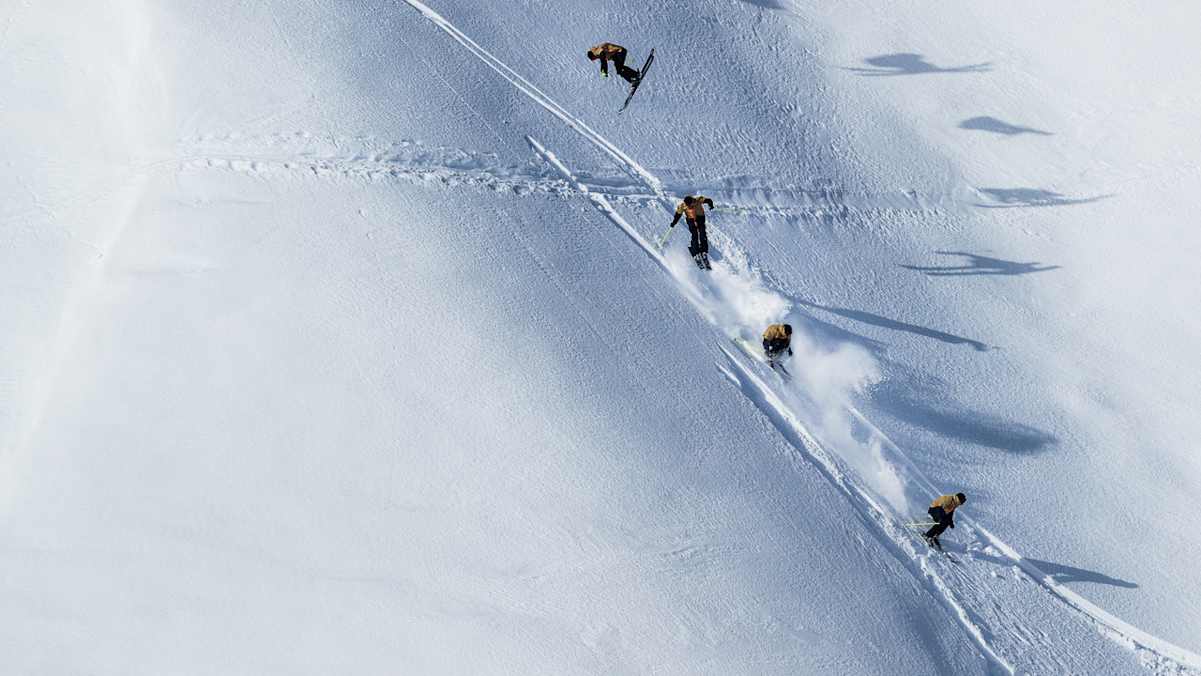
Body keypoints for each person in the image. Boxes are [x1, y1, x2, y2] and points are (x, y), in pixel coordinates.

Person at [670, 195, 715, 269]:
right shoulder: (683, 206)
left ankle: (703, 251)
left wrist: (711, 205)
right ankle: (695, 252)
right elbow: (678, 214)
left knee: (702, 234)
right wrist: (674, 222)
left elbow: (709, 200)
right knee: (695, 235)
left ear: (692, 202)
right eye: (688, 206)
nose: (689, 207)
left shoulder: (698, 200)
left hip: (700, 219)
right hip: (691, 221)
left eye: (690, 205)